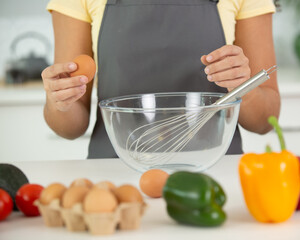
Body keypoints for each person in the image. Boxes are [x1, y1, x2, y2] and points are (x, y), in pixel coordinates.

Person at [41, 0, 280, 158]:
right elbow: (70, 127)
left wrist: (243, 86)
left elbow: (266, 120)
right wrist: (60, 100)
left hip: (216, 172)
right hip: (115, 173)